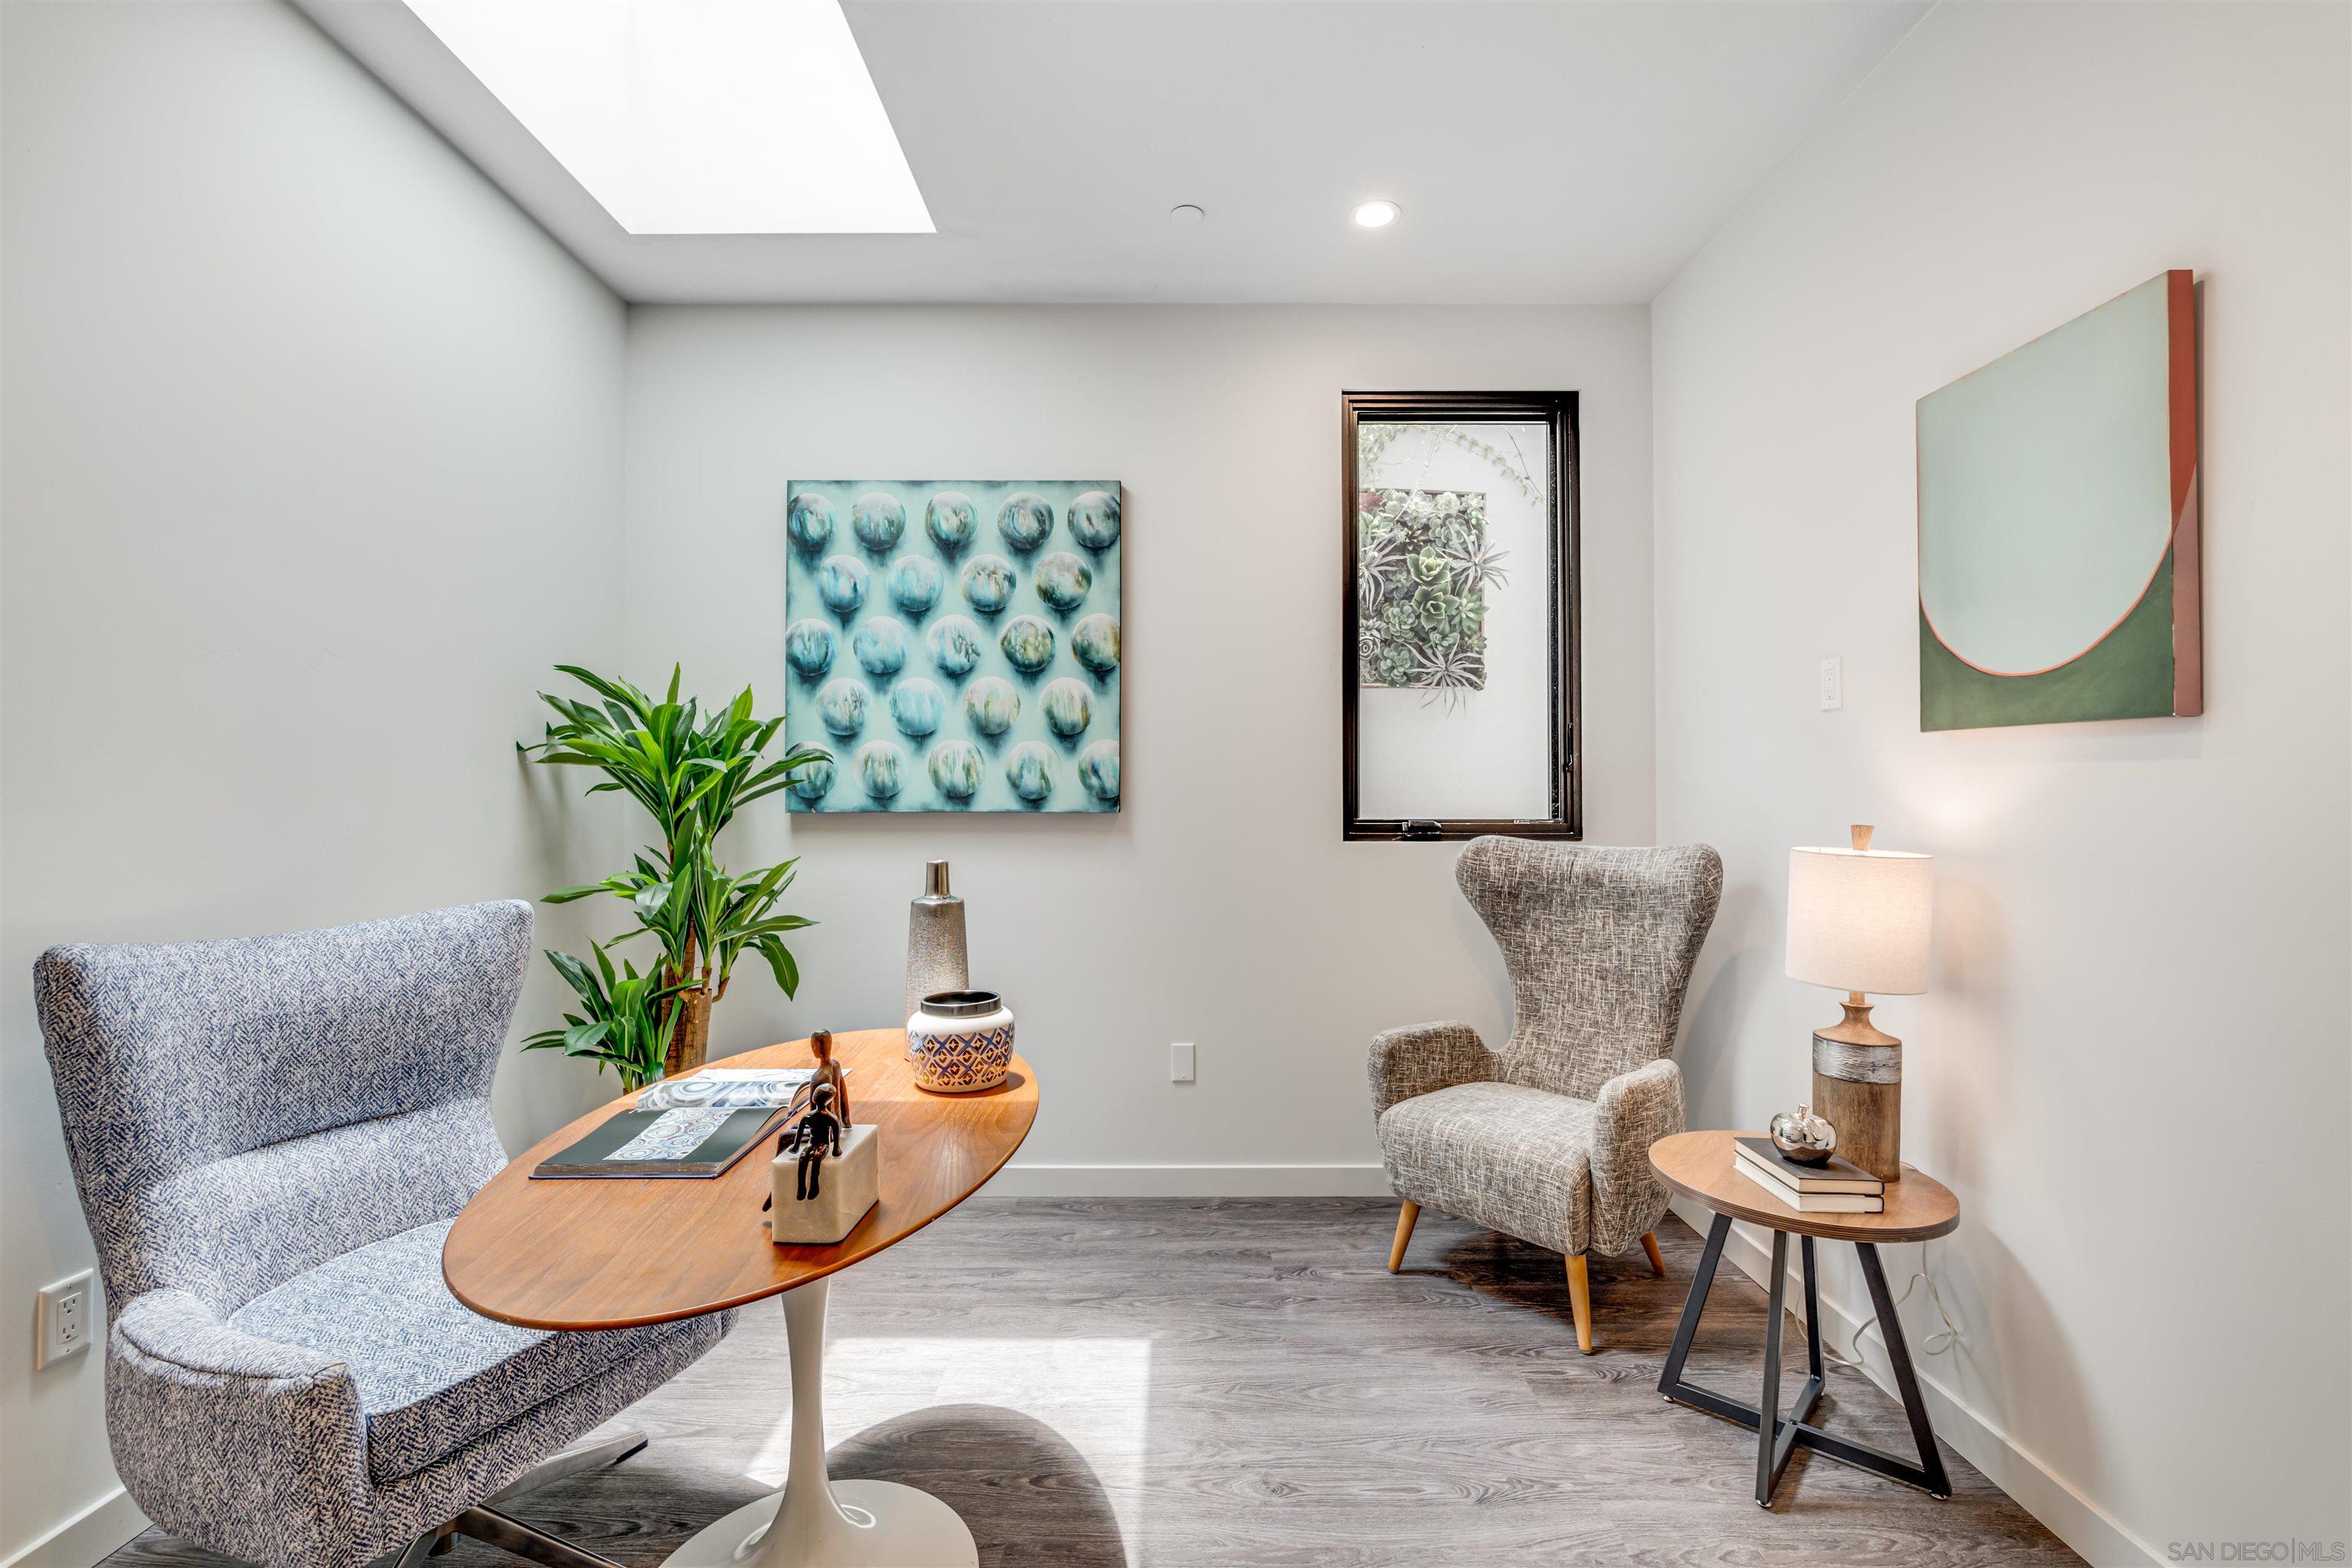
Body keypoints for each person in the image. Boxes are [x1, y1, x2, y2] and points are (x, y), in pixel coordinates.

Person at [780, 1083, 844, 1201]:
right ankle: (801, 1188)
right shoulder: (828, 1118)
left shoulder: (817, 1117)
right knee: (803, 1158)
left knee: (816, 1159)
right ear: (829, 1100)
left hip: (822, 1144)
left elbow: (836, 1134)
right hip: (812, 1142)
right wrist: (796, 1146)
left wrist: (836, 1148)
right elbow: (836, 1134)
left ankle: (814, 1187)